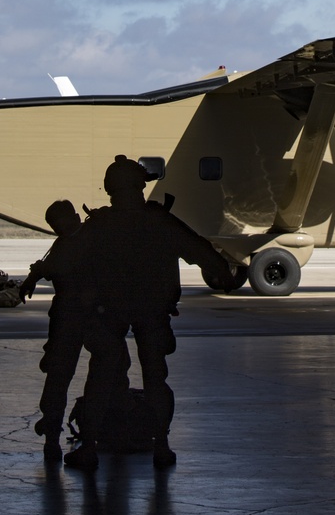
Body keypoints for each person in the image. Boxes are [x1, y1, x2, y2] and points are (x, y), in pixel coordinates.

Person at [64, 156, 238, 472]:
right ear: (140, 185)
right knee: (155, 378)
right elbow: (198, 249)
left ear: (109, 188)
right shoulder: (158, 221)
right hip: (152, 310)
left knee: (101, 377)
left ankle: (89, 446)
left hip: (109, 311)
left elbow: (70, 263)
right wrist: (223, 273)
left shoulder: (101, 225)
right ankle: (162, 445)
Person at [21, 199, 128, 461]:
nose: (59, 229)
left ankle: (59, 434)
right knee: (94, 376)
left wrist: (32, 277)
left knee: (62, 377)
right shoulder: (83, 238)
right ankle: (85, 435)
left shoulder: (76, 242)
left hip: (77, 319)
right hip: (91, 319)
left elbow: (53, 267)